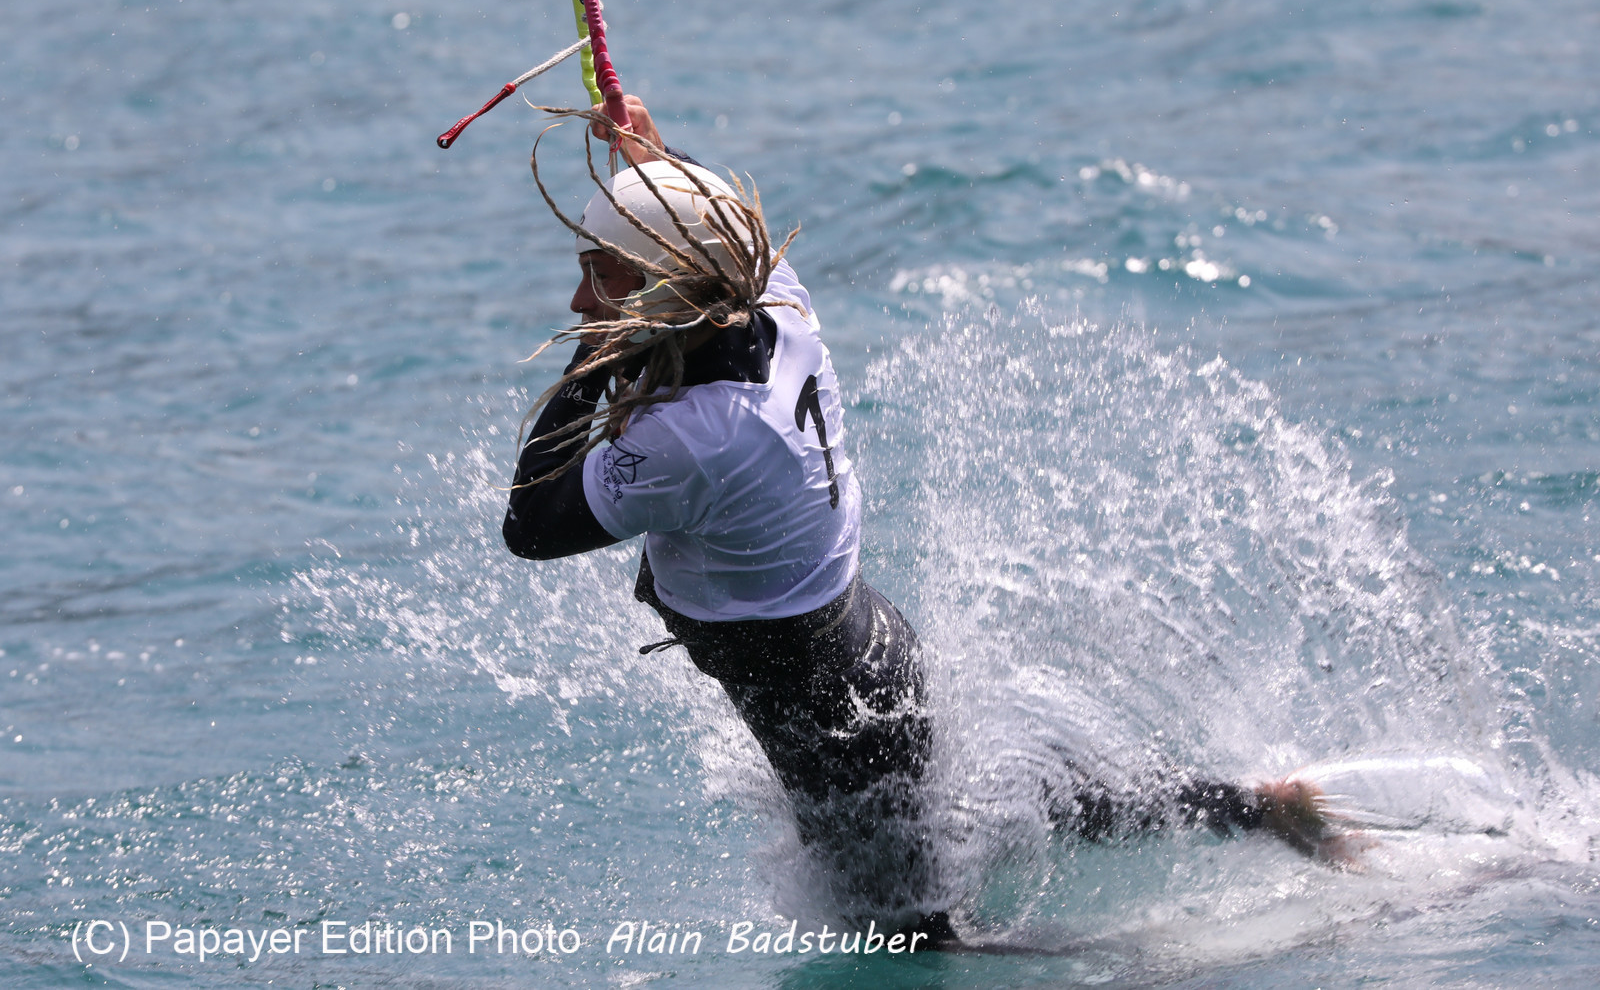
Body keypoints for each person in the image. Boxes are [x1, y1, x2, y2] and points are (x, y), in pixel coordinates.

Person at [500, 97, 1344, 945]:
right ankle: (1257, 806)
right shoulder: (776, 301)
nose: (578, 298)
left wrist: (596, 346)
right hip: (873, 651)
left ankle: (1146, 959)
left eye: (600, 276)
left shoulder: (698, 436)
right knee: (982, 813)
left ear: (663, 288)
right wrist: (653, 161)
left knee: (914, 942)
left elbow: (531, 523)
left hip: (831, 718)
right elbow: (705, 238)